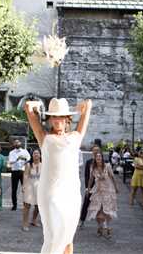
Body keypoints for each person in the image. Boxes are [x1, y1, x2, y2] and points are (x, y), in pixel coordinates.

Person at [25, 97, 92, 254]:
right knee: (53, 236)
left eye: (61, 116)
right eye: (53, 116)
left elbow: (88, 105)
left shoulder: (76, 136)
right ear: (49, 119)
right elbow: (28, 106)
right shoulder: (44, 137)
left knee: (68, 239)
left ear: (68, 119)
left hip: (72, 194)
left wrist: (81, 107)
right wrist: (39, 106)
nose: (57, 119)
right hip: (50, 194)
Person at [86, 152, 118, 239]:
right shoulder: (93, 167)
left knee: (106, 209)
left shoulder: (107, 166)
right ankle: (100, 226)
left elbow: (112, 177)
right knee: (97, 209)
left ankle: (106, 227)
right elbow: (91, 178)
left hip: (108, 190)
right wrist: (88, 189)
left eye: (100, 156)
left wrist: (116, 187)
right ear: (95, 158)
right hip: (98, 190)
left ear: (102, 158)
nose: (99, 157)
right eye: (97, 156)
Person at [79, 144, 101, 228]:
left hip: (100, 186)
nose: (95, 152)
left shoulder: (102, 161)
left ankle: (100, 223)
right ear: (92, 151)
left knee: (100, 205)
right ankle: (82, 220)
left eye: (97, 150)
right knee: (86, 203)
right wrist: (87, 187)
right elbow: (86, 175)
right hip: (90, 186)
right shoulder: (89, 162)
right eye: (94, 150)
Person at [22, 149, 41, 231]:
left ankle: (34, 220)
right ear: (32, 155)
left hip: (40, 187)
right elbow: (25, 175)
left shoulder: (44, 165)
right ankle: (25, 223)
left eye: (37, 153)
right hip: (30, 186)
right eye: (34, 153)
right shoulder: (28, 165)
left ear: (40, 155)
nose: (36, 154)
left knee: (38, 206)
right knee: (27, 205)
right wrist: (24, 186)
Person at [8, 139, 31, 211]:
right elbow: (11, 162)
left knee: (24, 189)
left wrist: (24, 159)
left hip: (23, 171)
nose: (17, 143)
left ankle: (25, 204)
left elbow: (29, 158)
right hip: (14, 171)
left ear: (20, 143)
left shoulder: (24, 151)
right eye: (15, 142)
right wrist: (17, 159)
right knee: (14, 189)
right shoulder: (11, 152)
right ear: (14, 144)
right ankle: (14, 205)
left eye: (18, 142)